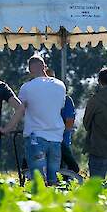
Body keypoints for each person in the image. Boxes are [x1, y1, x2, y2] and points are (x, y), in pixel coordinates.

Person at [14, 55, 65, 184]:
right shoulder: (60, 85)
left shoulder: (26, 88)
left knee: (38, 180)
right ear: (45, 67)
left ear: (30, 70)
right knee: (53, 179)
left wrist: (8, 128)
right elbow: (60, 107)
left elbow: (20, 110)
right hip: (56, 137)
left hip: (35, 136)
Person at [45, 68, 80, 173]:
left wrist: (55, 133)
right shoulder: (39, 99)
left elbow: (69, 123)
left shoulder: (65, 100)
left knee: (64, 171)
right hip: (43, 143)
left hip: (61, 143)